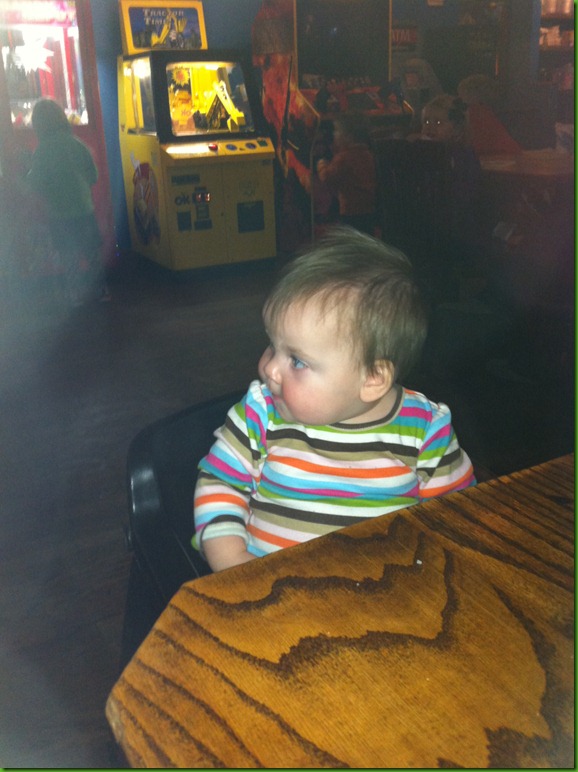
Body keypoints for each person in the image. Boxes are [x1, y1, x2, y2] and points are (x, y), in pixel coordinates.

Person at [193, 227, 475, 572]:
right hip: (270, 591)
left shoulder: (425, 432)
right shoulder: (260, 414)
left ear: (372, 379)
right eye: (272, 345)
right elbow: (219, 483)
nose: (269, 369)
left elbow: (456, 518)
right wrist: (233, 562)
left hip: (382, 594)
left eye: (297, 360)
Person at [26, 98, 109, 304]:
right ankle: (101, 292)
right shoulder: (77, 144)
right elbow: (93, 176)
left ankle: (74, 294)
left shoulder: (41, 151)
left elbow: (34, 183)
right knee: (91, 252)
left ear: (38, 125)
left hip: (59, 215)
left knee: (68, 255)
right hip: (84, 209)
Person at [316, 112, 377, 235]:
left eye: (337, 131)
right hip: (369, 209)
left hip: (350, 210)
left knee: (350, 237)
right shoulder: (368, 154)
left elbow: (327, 177)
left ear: (348, 136)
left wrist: (321, 164)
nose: (334, 134)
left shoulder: (344, 158)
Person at [457, 74, 522, 156]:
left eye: (460, 95)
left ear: (472, 95)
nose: (458, 98)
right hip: (508, 155)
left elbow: (477, 146)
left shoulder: (475, 114)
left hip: (498, 157)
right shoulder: (486, 113)